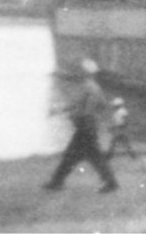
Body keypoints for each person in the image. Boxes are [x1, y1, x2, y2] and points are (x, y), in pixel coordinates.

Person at [43, 58, 119, 193]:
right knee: (75, 156)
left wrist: (58, 111)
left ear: (85, 73)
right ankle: (56, 182)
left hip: (84, 126)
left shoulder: (86, 87)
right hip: (88, 126)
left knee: (88, 157)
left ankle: (111, 183)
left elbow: (76, 105)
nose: (79, 73)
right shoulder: (95, 87)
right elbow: (102, 105)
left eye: (81, 71)